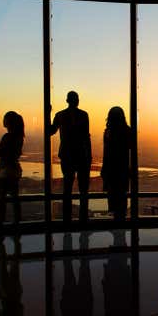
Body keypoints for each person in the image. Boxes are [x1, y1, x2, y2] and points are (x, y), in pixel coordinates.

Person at [49, 91, 92, 223]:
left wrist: (47, 114)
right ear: (76, 100)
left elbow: (50, 131)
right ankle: (82, 219)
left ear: (67, 100)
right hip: (81, 156)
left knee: (68, 188)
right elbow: (86, 137)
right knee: (83, 189)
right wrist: (89, 156)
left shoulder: (60, 115)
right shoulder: (83, 115)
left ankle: (67, 219)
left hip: (67, 155)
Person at [0, 111, 24, 226]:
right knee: (14, 198)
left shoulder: (8, 137)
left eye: (5, 118)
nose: (3, 120)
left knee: (1, 200)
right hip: (15, 169)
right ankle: (16, 223)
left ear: (8, 122)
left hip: (6, 171)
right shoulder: (19, 136)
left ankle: (0, 224)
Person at [100, 107, 132, 221]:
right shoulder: (128, 131)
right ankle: (121, 221)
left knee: (113, 196)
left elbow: (106, 152)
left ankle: (117, 224)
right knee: (122, 196)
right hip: (122, 168)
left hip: (111, 169)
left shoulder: (108, 132)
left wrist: (104, 169)